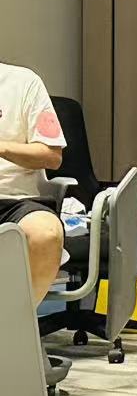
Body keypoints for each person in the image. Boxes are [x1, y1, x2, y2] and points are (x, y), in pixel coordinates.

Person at [0, 60, 68, 307]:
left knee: (46, 234)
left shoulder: (23, 82)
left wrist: (2, 148)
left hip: (14, 200)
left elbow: (52, 155)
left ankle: (16, 319)